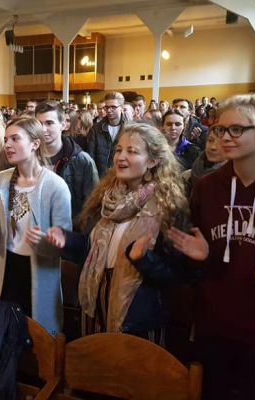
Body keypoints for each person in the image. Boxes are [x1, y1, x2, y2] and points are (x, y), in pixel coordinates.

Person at [167, 93, 255, 400]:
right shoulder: (207, 187)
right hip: (214, 326)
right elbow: (193, 267)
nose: (225, 137)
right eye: (220, 129)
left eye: (237, 129)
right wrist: (201, 257)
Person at [54, 123, 187, 341]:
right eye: (118, 150)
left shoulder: (167, 206)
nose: (121, 157)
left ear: (153, 161)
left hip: (138, 315)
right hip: (97, 304)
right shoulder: (104, 199)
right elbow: (90, 250)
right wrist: (67, 241)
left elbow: (175, 276)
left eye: (132, 151)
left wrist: (143, 260)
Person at [0, 117, 72, 336]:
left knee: (39, 336)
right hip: (8, 268)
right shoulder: (2, 180)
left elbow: (64, 243)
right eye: (6, 139)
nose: (8, 145)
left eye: (15, 139)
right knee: (7, 333)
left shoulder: (55, 186)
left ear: (35, 144)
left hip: (38, 273)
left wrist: (45, 243)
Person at [35, 101, 98, 222]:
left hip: (69, 230)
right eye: (39, 124)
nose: (43, 129)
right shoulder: (29, 158)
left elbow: (92, 205)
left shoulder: (82, 161)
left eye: (49, 123)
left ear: (63, 125)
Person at [87, 92, 128, 178]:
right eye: (107, 107)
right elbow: (91, 157)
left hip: (122, 177)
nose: (109, 110)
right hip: (100, 177)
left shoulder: (129, 129)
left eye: (113, 107)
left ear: (121, 108)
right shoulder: (96, 129)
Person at [182, 130, 226, 195]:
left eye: (221, 142)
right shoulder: (186, 176)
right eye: (210, 140)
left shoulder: (234, 179)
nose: (213, 146)